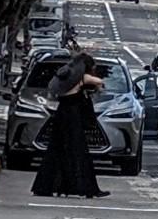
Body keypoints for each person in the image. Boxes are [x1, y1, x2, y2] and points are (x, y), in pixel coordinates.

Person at [31, 53, 110, 198]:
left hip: (61, 114)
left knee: (55, 150)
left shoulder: (66, 73)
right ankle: (86, 188)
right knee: (78, 151)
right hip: (73, 116)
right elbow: (98, 82)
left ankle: (45, 186)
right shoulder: (81, 76)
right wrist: (99, 88)